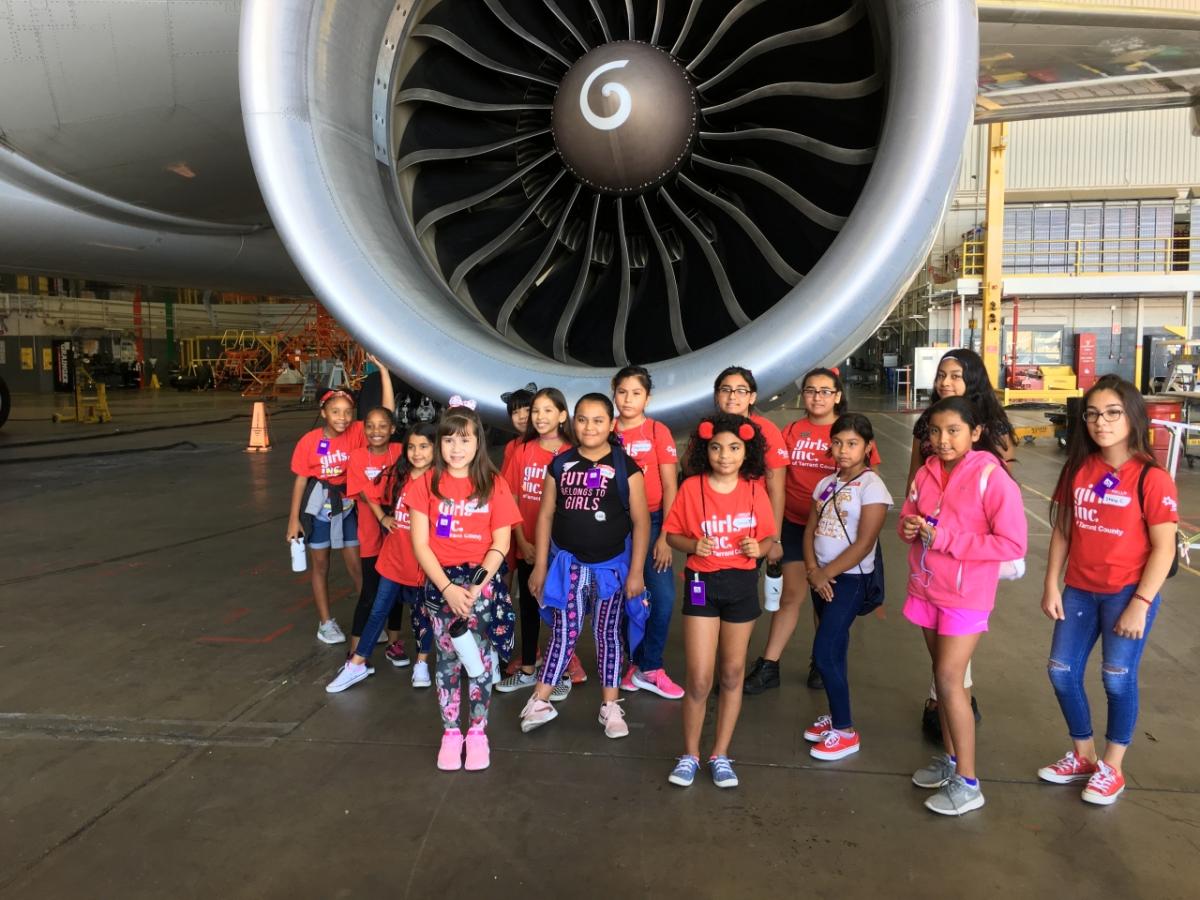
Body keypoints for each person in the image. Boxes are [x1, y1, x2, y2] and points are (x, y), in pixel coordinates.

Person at [1037, 376, 1178, 805]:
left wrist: (1140, 603)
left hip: (1126, 594)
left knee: (1116, 678)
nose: (1101, 422)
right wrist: (1051, 583)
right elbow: (1063, 529)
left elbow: (1164, 547)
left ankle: (1112, 767)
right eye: (1093, 414)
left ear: (1133, 416)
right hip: (1079, 589)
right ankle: (1084, 756)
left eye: (1113, 412)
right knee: (1061, 671)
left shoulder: (1151, 478)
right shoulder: (1079, 467)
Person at [901, 396, 1027, 816]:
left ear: (975, 433)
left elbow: (1011, 543)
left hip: (966, 595)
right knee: (942, 681)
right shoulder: (926, 471)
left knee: (951, 680)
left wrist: (948, 540)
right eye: (935, 431)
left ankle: (969, 782)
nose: (942, 440)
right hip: (927, 588)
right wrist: (909, 525)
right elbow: (911, 512)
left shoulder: (992, 478)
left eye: (953, 430)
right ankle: (953, 763)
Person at [745, 367, 880, 695]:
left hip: (836, 531)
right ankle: (770, 664)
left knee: (827, 599)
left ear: (837, 396)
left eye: (824, 391)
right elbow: (777, 478)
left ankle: (822, 661)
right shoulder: (791, 430)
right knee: (792, 595)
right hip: (794, 524)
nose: (817, 397)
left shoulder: (849, 431)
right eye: (810, 390)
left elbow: (867, 482)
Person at [522, 394, 650, 739]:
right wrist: (540, 566)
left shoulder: (627, 468)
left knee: (607, 634)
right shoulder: (560, 465)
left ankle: (610, 705)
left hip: (611, 569)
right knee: (564, 631)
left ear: (611, 424)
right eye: (581, 419)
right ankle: (540, 700)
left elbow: (641, 522)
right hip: (570, 566)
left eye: (597, 420)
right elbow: (546, 515)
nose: (589, 427)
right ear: (572, 422)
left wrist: (636, 571)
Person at [906, 349, 1015, 736]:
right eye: (941, 375)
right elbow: (916, 477)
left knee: (954, 656)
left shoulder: (989, 434)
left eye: (955, 375)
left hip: (969, 553)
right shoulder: (928, 427)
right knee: (945, 654)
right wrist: (911, 517)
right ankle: (949, 702)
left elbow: (1002, 493)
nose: (945, 382)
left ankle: (951, 705)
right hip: (933, 552)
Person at [408, 402, 522, 771]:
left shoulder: (494, 483)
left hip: (480, 587)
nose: (456, 448)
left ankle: (477, 732)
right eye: (449, 440)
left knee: (480, 661)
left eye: (465, 440)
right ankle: (450, 733)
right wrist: (447, 590)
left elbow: (500, 544)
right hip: (442, 586)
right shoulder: (426, 482)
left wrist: (474, 588)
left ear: (478, 444)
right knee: (447, 662)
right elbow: (420, 545)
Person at [664, 414, 776, 789]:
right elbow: (673, 536)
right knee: (699, 678)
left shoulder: (755, 490)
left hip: (741, 584)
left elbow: (768, 542)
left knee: (731, 674)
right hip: (700, 584)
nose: (724, 456)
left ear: (747, 452)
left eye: (733, 448)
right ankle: (690, 754)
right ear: (704, 450)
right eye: (716, 448)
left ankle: (721, 754)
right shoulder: (691, 488)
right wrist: (692, 545)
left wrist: (755, 548)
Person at [802, 414, 891, 761]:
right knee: (834, 650)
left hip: (849, 581)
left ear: (868, 447)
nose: (843, 450)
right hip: (819, 578)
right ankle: (836, 716)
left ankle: (845, 731)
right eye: (837, 442)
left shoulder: (873, 487)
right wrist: (812, 569)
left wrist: (826, 574)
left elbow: (865, 543)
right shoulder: (825, 484)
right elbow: (810, 529)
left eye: (852, 443)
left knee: (823, 653)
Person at [286, 358, 394, 643]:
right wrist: (294, 520)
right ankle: (325, 622)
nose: (343, 417)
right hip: (318, 510)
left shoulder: (359, 432)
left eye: (347, 412)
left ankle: (369, 621)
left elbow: (386, 413)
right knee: (321, 565)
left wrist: (383, 372)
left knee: (357, 567)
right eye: (335, 411)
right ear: (324, 412)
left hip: (348, 508)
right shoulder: (309, 442)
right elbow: (300, 480)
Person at [325, 424, 438, 692]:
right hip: (394, 558)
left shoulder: (439, 482)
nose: (416, 452)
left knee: (424, 615)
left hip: (424, 564)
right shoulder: (399, 475)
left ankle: (422, 662)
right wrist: (382, 517)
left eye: (424, 446)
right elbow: (368, 489)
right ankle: (358, 663)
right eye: (411, 446)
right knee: (378, 610)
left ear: (435, 449)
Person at [613, 365, 684, 700]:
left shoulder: (658, 432)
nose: (628, 399)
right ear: (614, 391)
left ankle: (650, 665)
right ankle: (632, 663)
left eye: (636, 393)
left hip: (655, 521)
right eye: (623, 391)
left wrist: (665, 536)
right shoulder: (605, 430)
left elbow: (671, 486)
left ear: (647, 397)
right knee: (623, 598)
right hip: (613, 525)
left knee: (663, 598)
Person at [497, 388, 574, 694]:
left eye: (547, 411)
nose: (540, 417)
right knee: (528, 607)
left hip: (559, 550)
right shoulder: (522, 450)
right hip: (527, 544)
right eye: (536, 411)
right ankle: (529, 668)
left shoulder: (571, 453)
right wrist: (521, 541)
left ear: (562, 416)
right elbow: (511, 497)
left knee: (559, 611)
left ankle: (561, 674)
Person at [344, 407, 404, 658]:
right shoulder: (357, 457)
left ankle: (393, 643)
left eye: (382, 426)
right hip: (371, 535)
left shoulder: (401, 451)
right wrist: (382, 516)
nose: (376, 431)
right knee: (370, 593)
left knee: (397, 593)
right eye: (370, 426)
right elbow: (365, 492)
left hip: (399, 534)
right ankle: (355, 651)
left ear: (392, 429)